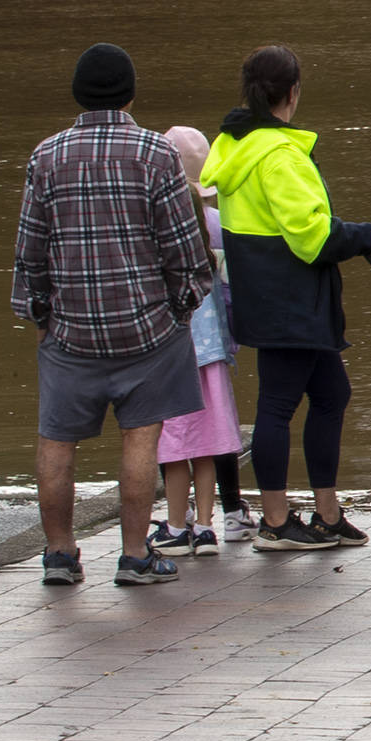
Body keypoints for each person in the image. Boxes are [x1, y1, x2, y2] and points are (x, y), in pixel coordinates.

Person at [11, 43, 215, 588]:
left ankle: (58, 554)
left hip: (69, 331)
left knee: (56, 439)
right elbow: (184, 251)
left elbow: (30, 250)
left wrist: (42, 318)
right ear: (130, 93)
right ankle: (134, 556)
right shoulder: (156, 154)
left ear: (78, 93)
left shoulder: (46, 156)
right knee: (140, 439)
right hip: (147, 327)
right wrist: (181, 308)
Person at [202, 45, 371, 552]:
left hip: (272, 296)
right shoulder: (277, 155)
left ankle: (326, 514)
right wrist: (368, 236)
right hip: (289, 301)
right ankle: (275, 522)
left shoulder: (237, 146)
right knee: (277, 406)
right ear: (293, 92)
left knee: (331, 394)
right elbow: (311, 237)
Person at [151, 126, 246, 554]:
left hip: (169, 352)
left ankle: (176, 525)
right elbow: (229, 291)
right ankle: (210, 524)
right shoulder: (218, 224)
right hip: (211, 352)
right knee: (208, 442)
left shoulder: (155, 228)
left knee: (171, 445)